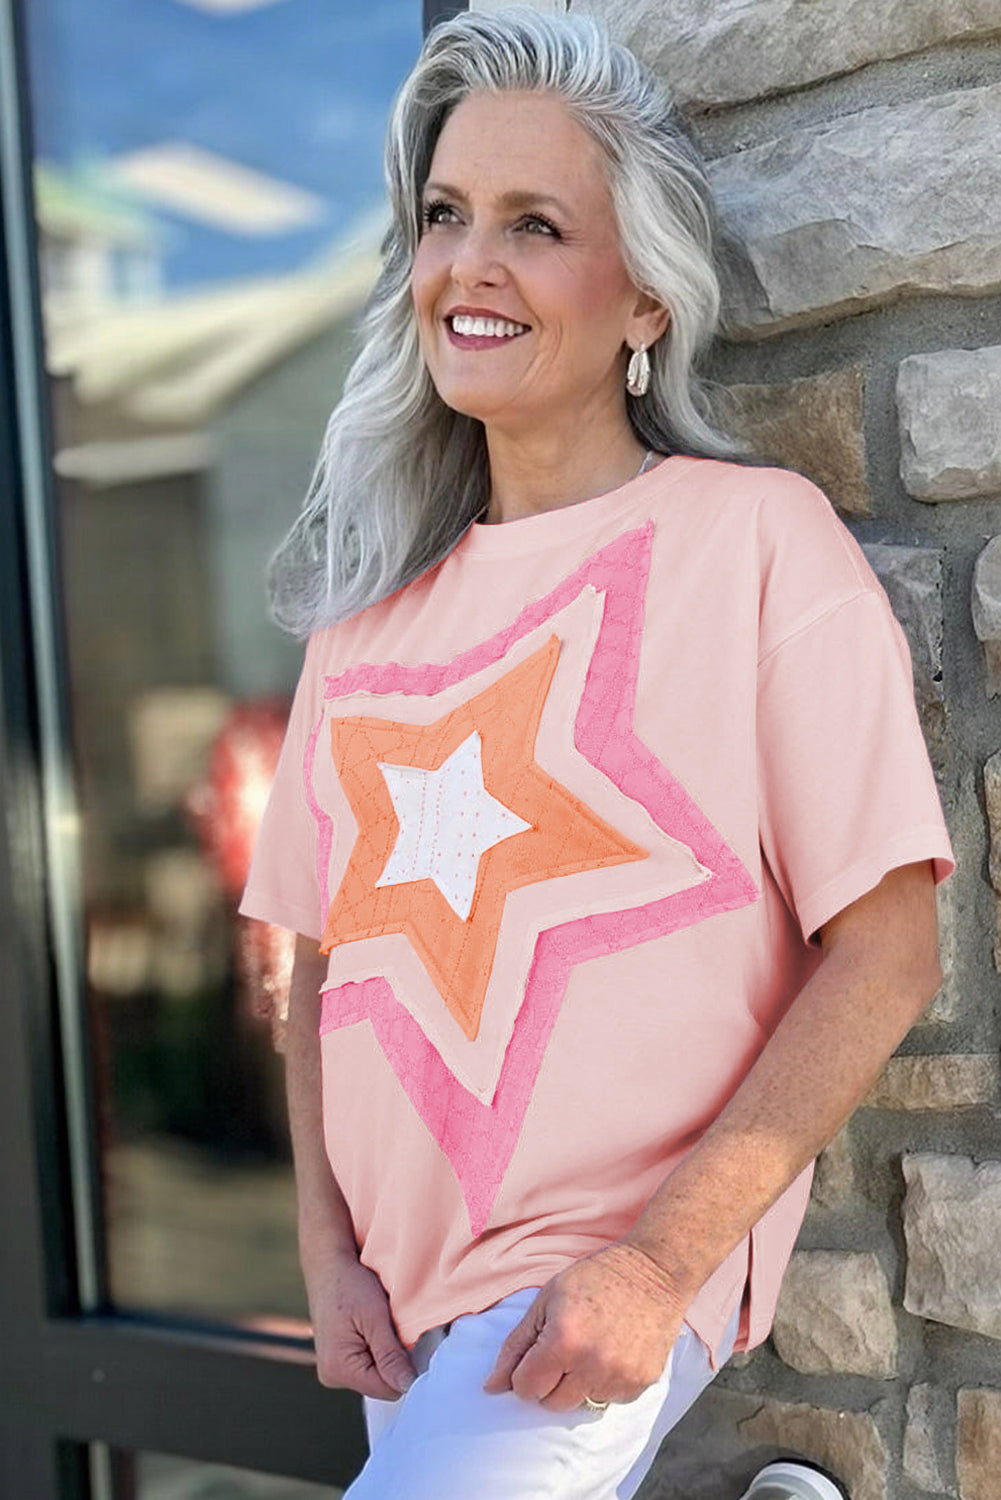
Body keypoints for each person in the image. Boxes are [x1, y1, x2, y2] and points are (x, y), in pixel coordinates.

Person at [239, 10, 953, 1499]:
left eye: (535, 225)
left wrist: (658, 1264)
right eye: (446, 215)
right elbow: (322, 954)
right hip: (405, 1309)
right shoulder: (364, 621)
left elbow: (887, 953)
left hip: (587, 1282)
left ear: (644, 299)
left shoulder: (751, 545)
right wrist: (325, 1249)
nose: (469, 264)